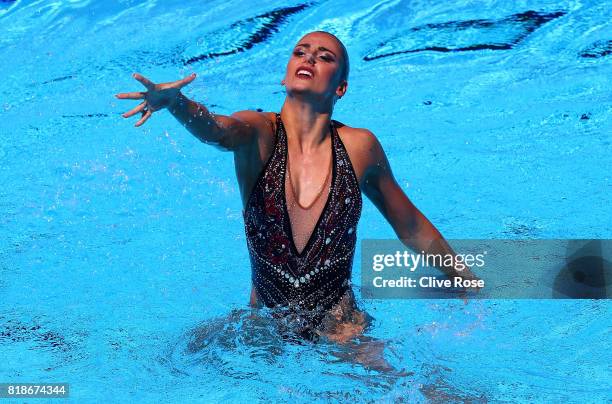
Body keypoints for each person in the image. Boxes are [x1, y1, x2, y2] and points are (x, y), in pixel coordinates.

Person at [115, 31, 479, 346]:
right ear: (285, 75)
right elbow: (217, 130)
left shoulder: (359, 147)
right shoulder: (259, 132)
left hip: (341, 330)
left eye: (325, 57)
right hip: (264, 330)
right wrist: (177, 103)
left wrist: (465, 281)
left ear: (340, 87)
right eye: (301, 52)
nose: (309, 58)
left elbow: (410, 225)